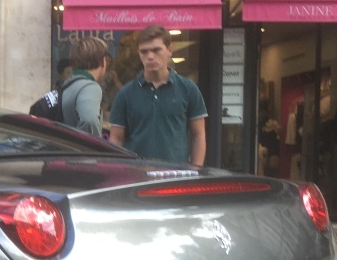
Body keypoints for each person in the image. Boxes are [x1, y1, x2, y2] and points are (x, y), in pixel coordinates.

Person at [107, 25, 207, 165]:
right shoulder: (125, 94)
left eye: (156, 50)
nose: (150, 56)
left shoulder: (188, 89)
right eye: (144, 51)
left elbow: (198, 134)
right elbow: (116, 139)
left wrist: (196, 170)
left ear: (169, 50)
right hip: (137, 174)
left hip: (177, 175)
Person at [29, 37, 108, 136]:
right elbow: (89, 121)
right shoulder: (90, 87)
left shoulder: (68, 84)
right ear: (102, 62)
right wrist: (91, 149)